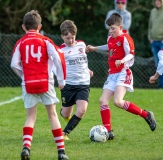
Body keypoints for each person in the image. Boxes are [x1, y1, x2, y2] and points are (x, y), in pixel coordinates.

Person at [86, 13, 156, 140]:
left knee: (118, 101)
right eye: (109, 28)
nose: (111, 31)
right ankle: (108, 131)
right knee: (102, 101)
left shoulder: (125, 38)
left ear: (121, 27)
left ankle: (146, 115)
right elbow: (109, 47)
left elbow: (131, 54)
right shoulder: (110, 38)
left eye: (113, 28)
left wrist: (123, 60)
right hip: (112, 73)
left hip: (124, 72)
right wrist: (95, 48)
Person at [10, 10, 69, 160]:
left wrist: (24, 76)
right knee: (52, 115)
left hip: (29, 83)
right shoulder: (46, 41)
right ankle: (61, 152)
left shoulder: (20, 42)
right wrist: (61, 81)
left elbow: (14, 64)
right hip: (45, 82)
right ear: (39, 26)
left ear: (24, 27)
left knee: (30, 117)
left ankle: (26, 148)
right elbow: (58, 57)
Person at [59, 20, 93, 140]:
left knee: (82, 109)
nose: (71, 40)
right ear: (62, 36)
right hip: (68, 84)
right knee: (65, 114)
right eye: (68, 38)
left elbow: (83, 60)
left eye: (73, 37)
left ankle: (64, 133)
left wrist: (87, 70)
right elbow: (55, 67)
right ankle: (64, 113)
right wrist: (59, 80)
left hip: (83, 83)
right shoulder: (60, 50)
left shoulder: (82, 45)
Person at [148, 0, 163, 88]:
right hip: (154, 41)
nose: (157, 2)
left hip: (161, 41)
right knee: (158, 64)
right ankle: (161, 85)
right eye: (156, 1)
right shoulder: (153, 12)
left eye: (159, 1)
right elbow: (150, 26)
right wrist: (150, 37)